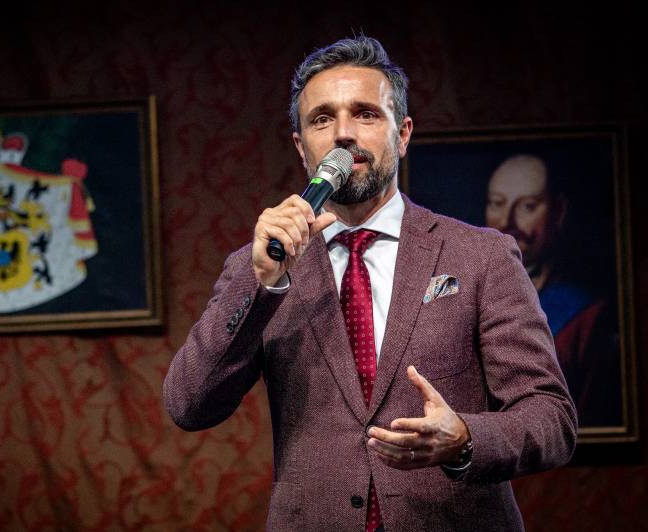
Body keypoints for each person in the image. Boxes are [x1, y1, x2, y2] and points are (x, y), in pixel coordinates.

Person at [164, 36, 577, 531]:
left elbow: (551, 417)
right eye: (322, 119)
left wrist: (465, 439)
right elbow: (189, 405)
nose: (343, 133)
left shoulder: (481, 256)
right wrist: (263, 287)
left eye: (365, 114)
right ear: (301, 147)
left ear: (402, 134)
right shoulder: (261, 265)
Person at [486, 155, 621, 427]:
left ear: (559, 211)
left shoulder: (587, 316)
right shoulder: (461, 292)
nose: (507, 220)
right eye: (497, 203)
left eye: (527, 206)